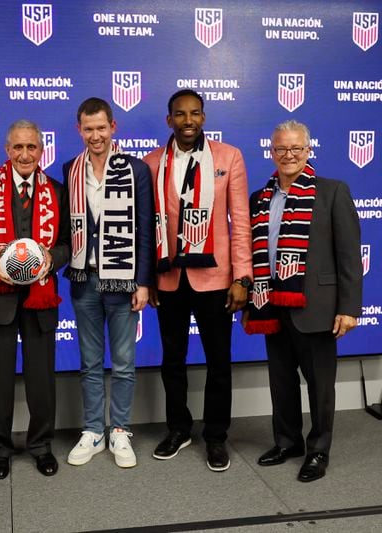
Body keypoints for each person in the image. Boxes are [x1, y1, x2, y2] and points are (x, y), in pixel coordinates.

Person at [243, 119, 362, 482]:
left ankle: (318, 450)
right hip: (271, 302)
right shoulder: (260, 198)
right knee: (281, 381)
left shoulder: (332, 192)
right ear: (272, 152)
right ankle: (287, 441)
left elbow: (349, 255)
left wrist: (349, 307)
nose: (289, 155)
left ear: (308, 151)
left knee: (320, 384)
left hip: (318, 307)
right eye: (281, 149)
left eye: (296, 148)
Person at [143, 89, 252, 472]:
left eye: (194, 113)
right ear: (168, 119)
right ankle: (179, 428)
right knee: (172, 360)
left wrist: (243, 277)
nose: (187, 120)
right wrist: (149, 277)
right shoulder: (152, 162)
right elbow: (147, 228)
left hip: (216, 277)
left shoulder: (229, 157)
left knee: (218, 361)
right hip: (170, 277)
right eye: (179, 114)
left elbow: (240, 221)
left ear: (203, 117)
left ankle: (217, 436)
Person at [0, 119, 70, 480]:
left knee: (42, 379)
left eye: (32, 147)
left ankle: (41, 445)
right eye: (18, 147)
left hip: (41, 297)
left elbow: (69, 242)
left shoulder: (56, 190)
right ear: (7, 149)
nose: (25, 154)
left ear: (42, 150)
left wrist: (52, 259)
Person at [62, 98, 154, 468]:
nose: (95, 135)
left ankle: (119, 430)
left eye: (102, 128)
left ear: (113, 127)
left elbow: (147, 228)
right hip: (84, 278)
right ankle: (93, 431)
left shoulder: (136, 170)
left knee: (124, 363)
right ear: (79, 130)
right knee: (89, 362)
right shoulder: (70, 169)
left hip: (124, 279)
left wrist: (143, 282)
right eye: (88, 128)